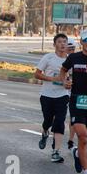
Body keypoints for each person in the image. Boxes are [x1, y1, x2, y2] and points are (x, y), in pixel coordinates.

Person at [60, 29, 87, 174]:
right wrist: (65, 81)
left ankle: (78, 153)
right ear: (81, 42)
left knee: (86, 142)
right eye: (86, 40)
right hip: (77, 101)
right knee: (83, 137)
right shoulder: (74, 57)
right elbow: (63, 70)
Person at [35, 34, 69, 163]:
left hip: (63, 95)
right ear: (55, 44)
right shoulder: (48, 58)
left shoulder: (69, 60)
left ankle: (56, 151)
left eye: (64, 42)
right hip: (47, 95)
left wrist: (69, 83)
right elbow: (37, 74)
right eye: (59, 42)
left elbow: (72, 77)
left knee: (59, 121)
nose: (62, 44)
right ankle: (45, 132)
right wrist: (53, 79)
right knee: (48, 121)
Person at [66, 38, 78, 149]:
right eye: (69, 49)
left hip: (76, 93)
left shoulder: (77, 59)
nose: (71, 50)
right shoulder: (62, 60)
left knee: (74, 117)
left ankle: (71, 140)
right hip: (62, 93)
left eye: (73, 48)